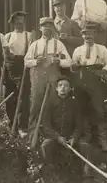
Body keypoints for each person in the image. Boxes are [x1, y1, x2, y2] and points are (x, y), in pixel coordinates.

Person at [40, 76, 97, 183]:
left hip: (71, 139)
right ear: (56, 88)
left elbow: (79, 125)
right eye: (60, 86)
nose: (63, 88)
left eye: (66, 86)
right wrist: (57, 137)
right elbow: (46, 125)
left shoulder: (74, 103)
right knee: (45, 146)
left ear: (70, 89)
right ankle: (50, 182)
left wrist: (74, 138)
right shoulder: (49, 102)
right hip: (54, 138)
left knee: (86, 147)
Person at [24, 17, 72, 148]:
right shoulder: (35, 45)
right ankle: (32, 138)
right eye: (44, 26)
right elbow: (26, 62)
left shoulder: (59, 44)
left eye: (49, 26)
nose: (47, 28)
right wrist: (35, 62)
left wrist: (60, 62)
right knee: (35, 108)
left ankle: (50, 137)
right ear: (40, 28)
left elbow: (69, 62)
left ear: (52, 28)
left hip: (53, 81)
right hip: (38, 81)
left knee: (51, 108)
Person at [71, 23, 107, 151]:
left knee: (99, 109)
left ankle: (102, 140)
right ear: (82, 36)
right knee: (82, 109)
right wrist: (75, 66)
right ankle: (86, 136)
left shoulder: (102, 49)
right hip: (81, 80)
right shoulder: (77, 50)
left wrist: (104, 71)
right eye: (85, 34)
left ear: (95, 35)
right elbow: (72, 68)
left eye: (90, 33)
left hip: (96, 80)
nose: (87, 36)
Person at [4, 11, 33, 136]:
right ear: (13, 23)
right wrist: (7, 55)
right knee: (10, 97)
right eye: (17, 22)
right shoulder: (8, 36)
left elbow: (31, 52)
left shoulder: (29, 35)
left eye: (21, 22)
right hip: (10, 67)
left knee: (23, 97)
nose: (19, 24)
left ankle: (22, 126)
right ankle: (12, 124)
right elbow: (4, 53)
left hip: (23, 66)